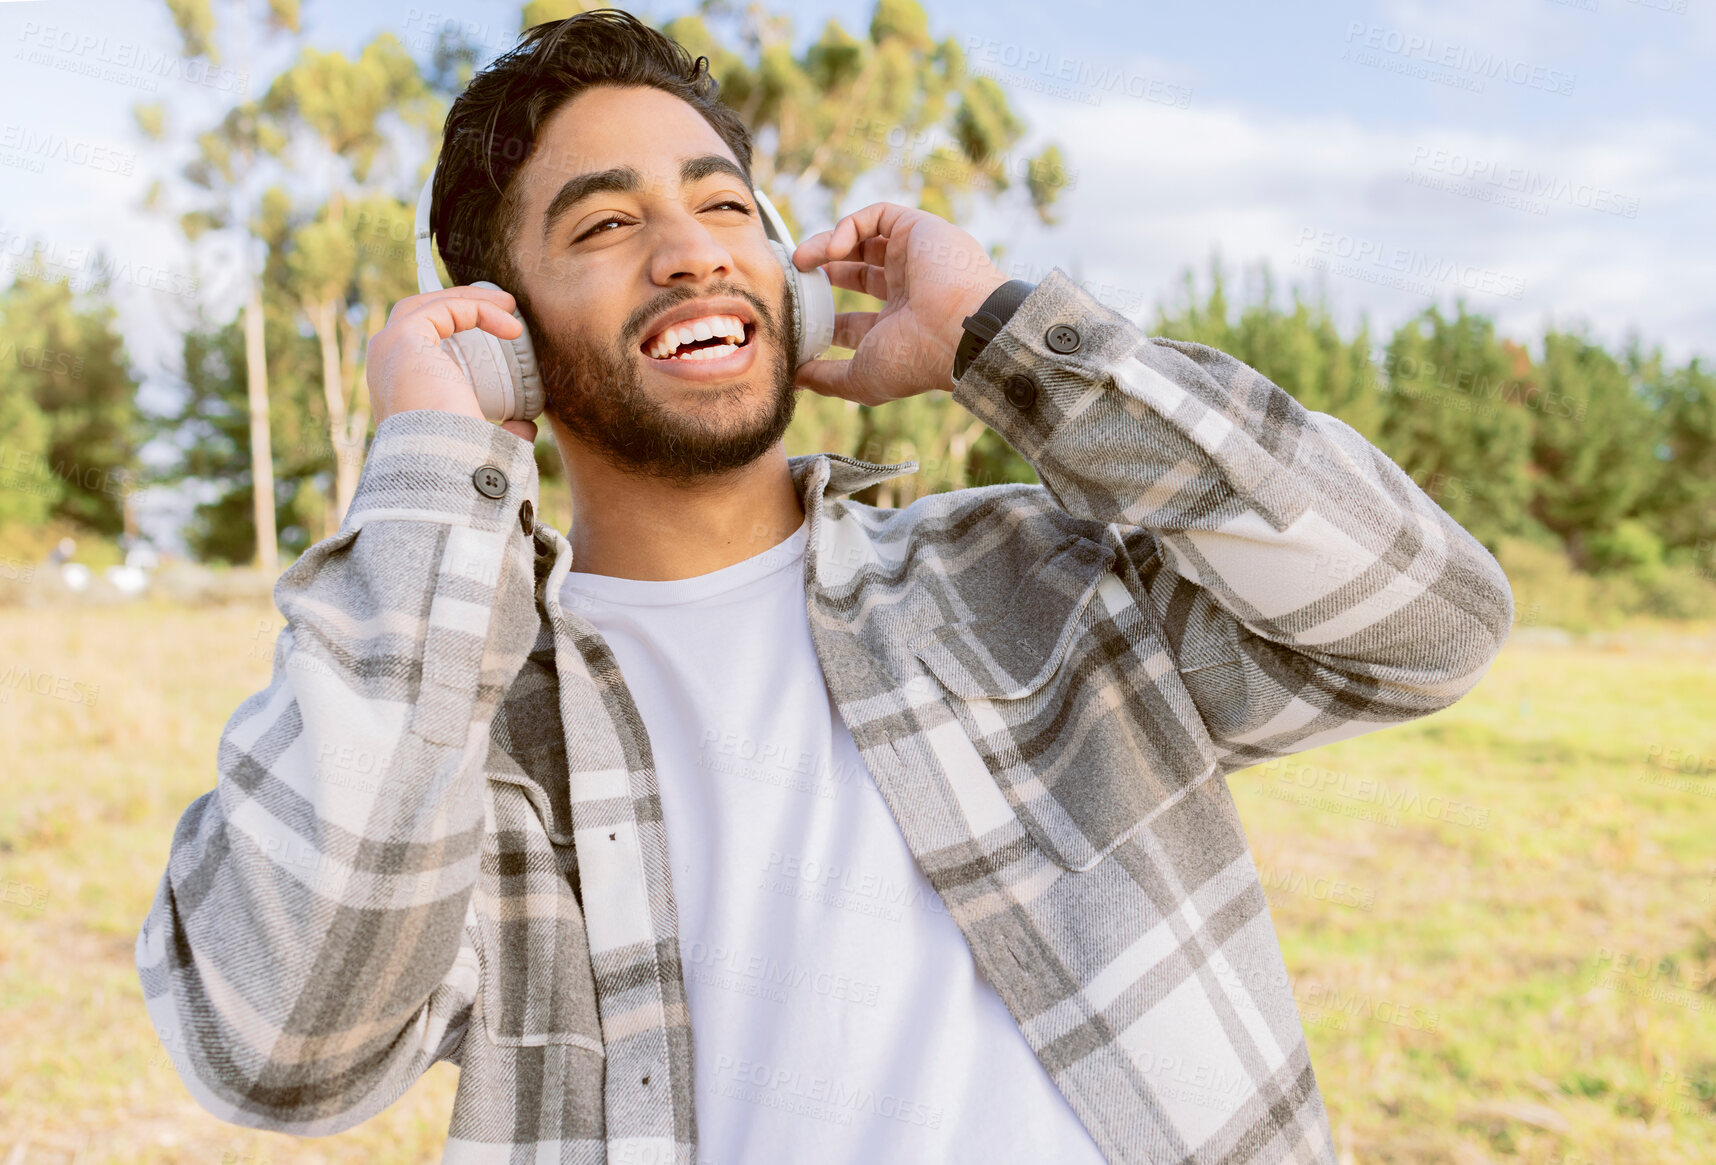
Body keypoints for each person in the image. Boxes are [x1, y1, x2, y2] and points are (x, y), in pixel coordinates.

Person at [135, 11, 1513, 1165]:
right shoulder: (461, 728)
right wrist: (434, 472)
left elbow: (1425, 624)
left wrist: (1009, 345)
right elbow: (279, 1047)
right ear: (508, 341)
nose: (692, 249)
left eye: (724, 202)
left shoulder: (1032, 580)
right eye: (605, 224)